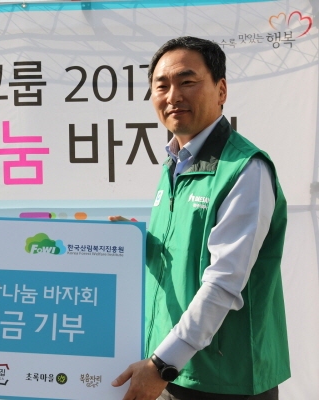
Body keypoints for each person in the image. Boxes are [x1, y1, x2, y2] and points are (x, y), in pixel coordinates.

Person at [110, 36, 289, 399]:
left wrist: (162, 364)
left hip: (225, 380)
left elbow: (224, 282)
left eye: (187, 82)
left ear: (221, 90)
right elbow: (186, 254)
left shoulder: (244, 168)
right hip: (174, 370)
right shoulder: (175, 164)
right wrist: (135, 244)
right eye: (161, 85)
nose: (173, 96)